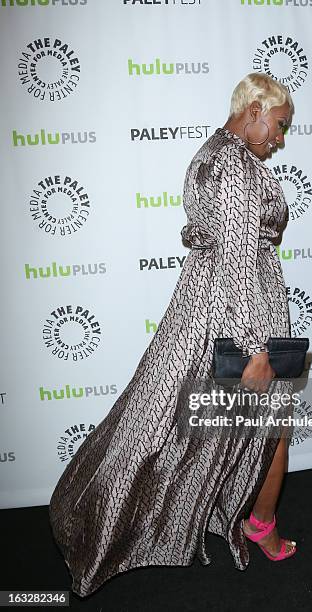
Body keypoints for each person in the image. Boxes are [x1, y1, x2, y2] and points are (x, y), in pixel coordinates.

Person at [49, 72, 297, 599]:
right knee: (266, 420)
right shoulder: (236, 167)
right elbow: (236, 261)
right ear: (254, 107)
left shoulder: (211, 153)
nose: (279, 138)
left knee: (168, 422)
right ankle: (262, 524)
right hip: (239, 314)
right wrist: (255, 347)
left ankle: (102, 515)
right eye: (278, 125)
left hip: (202, 308)